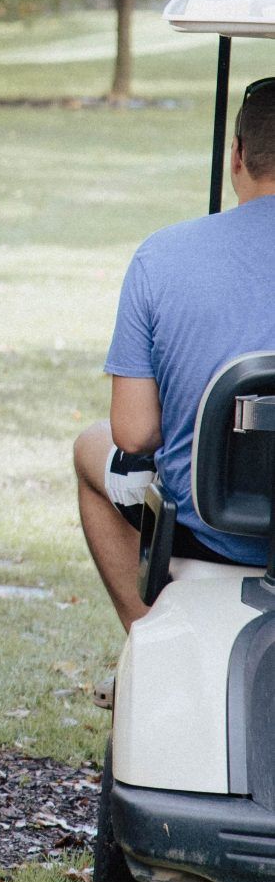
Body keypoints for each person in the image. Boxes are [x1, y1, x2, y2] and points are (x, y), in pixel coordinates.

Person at [76, 78, 275, 629]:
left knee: (87, 448)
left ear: (237, 156)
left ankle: (147, 633)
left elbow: (134, 434)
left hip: (210, 530)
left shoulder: (161, 256)